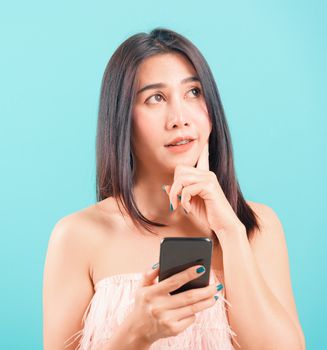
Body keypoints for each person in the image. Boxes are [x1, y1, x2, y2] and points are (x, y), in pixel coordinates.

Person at [42, 28, 305, 350]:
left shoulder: (255, 225)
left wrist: (229, 232)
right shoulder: (78, 235)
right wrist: (136, 334)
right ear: (121, 117)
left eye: (193, 92)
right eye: (156, 98)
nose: (180, 118)